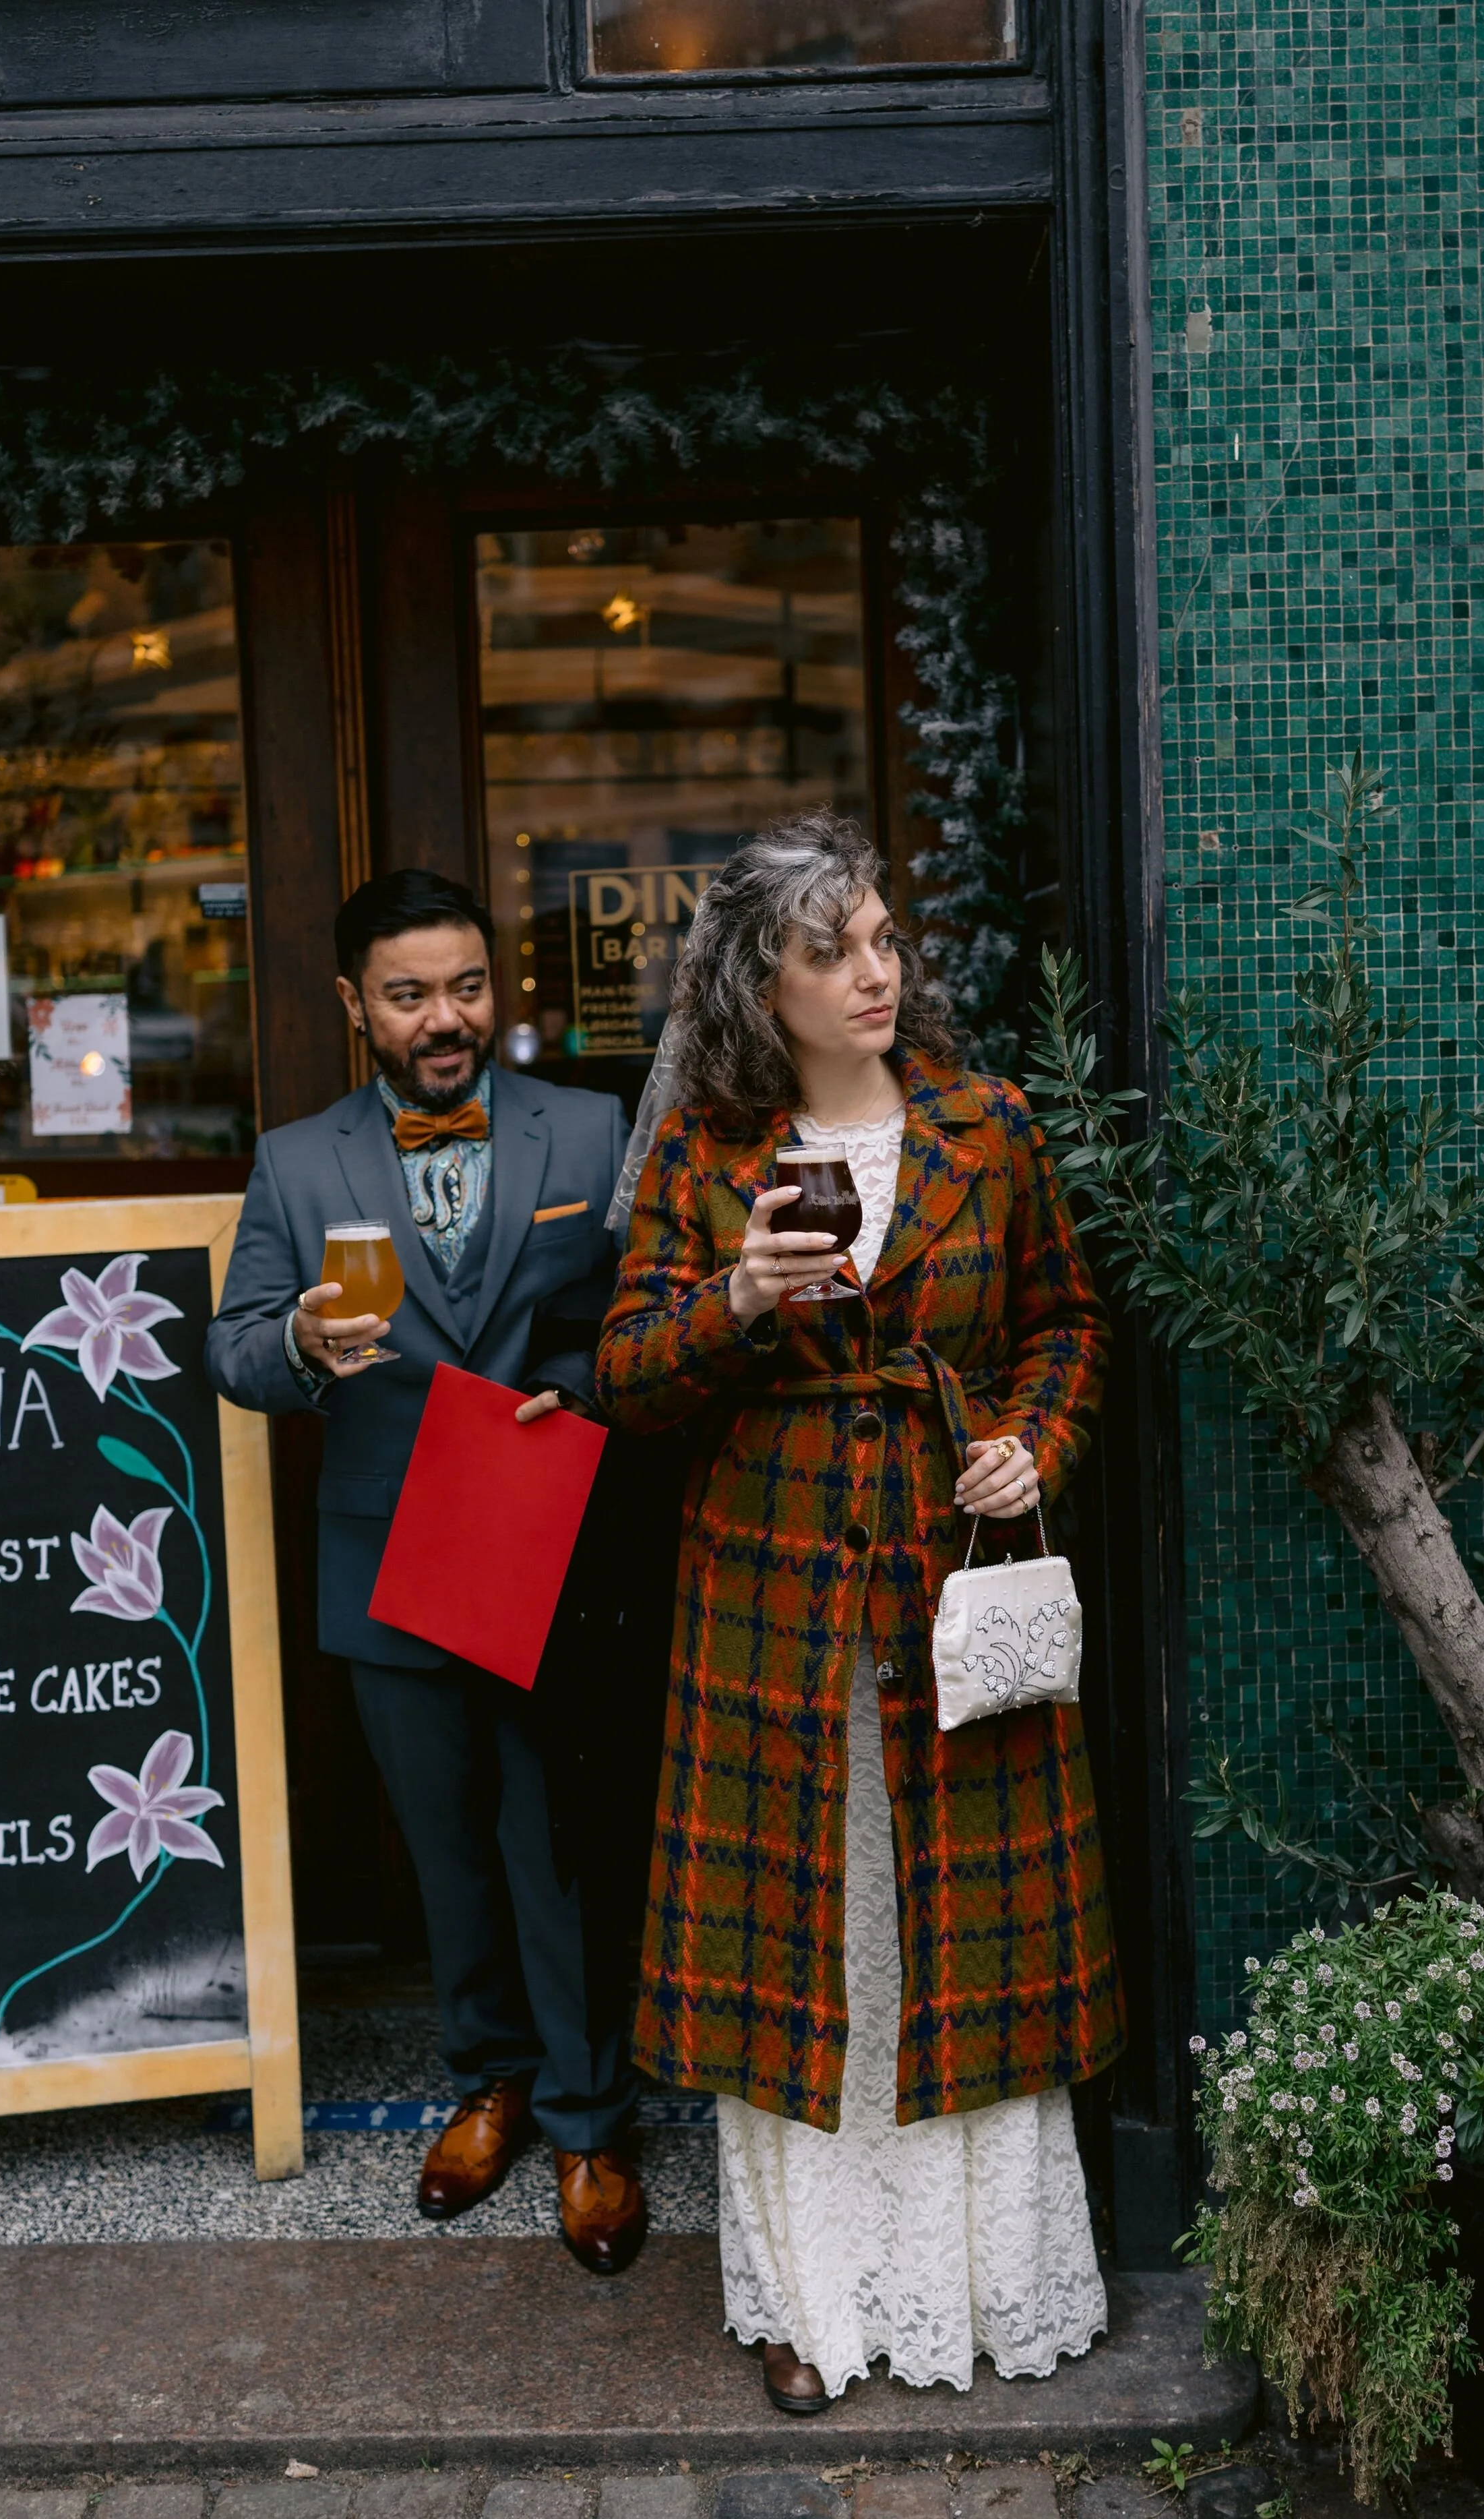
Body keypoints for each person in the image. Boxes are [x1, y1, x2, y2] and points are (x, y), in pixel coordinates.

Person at [596, 812, 1123, 2407]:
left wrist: (1031, 1443)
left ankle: (983, 2280)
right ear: (761, 984)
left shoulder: (989, 1123)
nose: (873, 971)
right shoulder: (706, 1152)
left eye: (884, 938)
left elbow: (1068, 1322)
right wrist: (741, 1298)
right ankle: (806, 2299)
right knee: (796, 1933)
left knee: (959, 1924)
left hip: (952, 1579)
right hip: (769, 1602)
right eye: (831, 951)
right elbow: (626, 1377)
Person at [206, 868, 648, 2274]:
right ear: (356, 1005)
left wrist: (585, 1384)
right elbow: (232, 1346)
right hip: (386, 1552)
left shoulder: (590, 1128)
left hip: (541, 1540)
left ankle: (591, 2119)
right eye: (409, 995)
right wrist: (297, 1347)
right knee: (445, 1852)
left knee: (556, 1847)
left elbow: (639, 1306)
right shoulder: (295, 1161)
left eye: (465, 986)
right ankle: (490, 2082)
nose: (444, 1018)